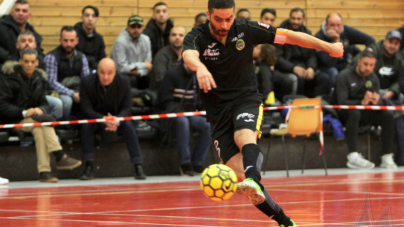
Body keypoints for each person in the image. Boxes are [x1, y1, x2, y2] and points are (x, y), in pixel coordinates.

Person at [182, 0, 343, 226]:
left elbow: (288, 35)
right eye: (218, 19)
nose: (224, 24)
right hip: (217, 112)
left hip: (245, 99)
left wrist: (327, 46)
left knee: (243, 137)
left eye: (229, 18)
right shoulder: (198, 36)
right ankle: (285, 221)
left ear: (234, 14)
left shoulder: (246, 29)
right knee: (238, 174)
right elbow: (189, 55)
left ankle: (254, 179)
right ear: (209, 15)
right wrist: (200, 68)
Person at [0, 49, 82, 182]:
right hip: (13, 119)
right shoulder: (8, 78)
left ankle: (44, 173)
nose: (29, 65)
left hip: (34, 120)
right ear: (20, 61)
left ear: (37, 62)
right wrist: (24, 112)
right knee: (41, 124)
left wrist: (41, 109)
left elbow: (44, 102)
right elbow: (2, 105)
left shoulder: (39, 78)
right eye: (26, 61)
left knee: (39, 129)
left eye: (33, 62)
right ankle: (60, 156)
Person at [79, 58, 146, 180]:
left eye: (109, 73)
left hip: (117, 117)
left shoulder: (124, 81)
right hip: (96, 117)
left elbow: (127, 107)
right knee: (85, 125)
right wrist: (102, 119)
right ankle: (88, 166)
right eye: (102, 72)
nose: (105, 77)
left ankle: (138, 165)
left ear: (115, 72)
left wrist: (117, 119)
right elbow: (86, 108)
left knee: (129, 125)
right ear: (96, 72)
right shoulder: (86, 82)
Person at [334, 49, 397, 169]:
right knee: (355, 113)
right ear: (358, 62)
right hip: (344, 112)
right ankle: (353, 156)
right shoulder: (344, 75)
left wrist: (376, 101)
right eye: (365, 64)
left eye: (372, 65)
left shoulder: (373, 78)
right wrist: (360, 102)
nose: (368, 68)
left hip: (364, 111)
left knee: (387, 115)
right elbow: (341, 102)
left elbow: (375, 102)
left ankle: (386, 156)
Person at [158, 61, 211, 176]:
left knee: (208, 125)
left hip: (192, 113)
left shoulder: (198, 76)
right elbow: (163, 100)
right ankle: (185, 163)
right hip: (174, 113)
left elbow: (202, 100)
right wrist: (179, 111)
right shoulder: (172, 74)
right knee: (183, 121)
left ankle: (197, 162)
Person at [276, 8, 331, 97]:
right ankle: (298, 105)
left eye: (298, 19)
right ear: (290, 19)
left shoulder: (307, 33)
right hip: (288, 68)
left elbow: (312, 55)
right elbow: (277, 57)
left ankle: (316, 105)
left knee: (324, 78)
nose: (295, 21)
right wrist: (293, 68)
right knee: (299, 79)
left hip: (305, 66)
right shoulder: (281, 34)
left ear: (303, 20)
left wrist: (311, 68)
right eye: (293, 18)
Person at [8, 30, 62, 120]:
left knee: (57, 103)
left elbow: (42, 89)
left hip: (36, 98)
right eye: (23, 41)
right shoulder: (8, 67)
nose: (27, 44)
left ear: (35, 45)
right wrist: (24, 112)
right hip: (18, 105)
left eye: (29, 41)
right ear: (17, 45)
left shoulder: (41, 62)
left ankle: (59, 127)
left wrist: (41, 109)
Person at [315, 12, 375, 88]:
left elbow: (370, 40)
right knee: (334, 72)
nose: (336, 28)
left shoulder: (347, 31)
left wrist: (362, 58)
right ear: (326, 26)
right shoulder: (319, 37)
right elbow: (328, 63)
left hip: (346, 65)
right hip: (327, 68)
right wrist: (336, 42)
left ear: (342, 24)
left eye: (338, 25)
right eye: (332, 25)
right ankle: (332, 94)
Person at [45, 26, 91, 120]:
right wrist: (72, 94)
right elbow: (51, 83)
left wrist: (83, 93)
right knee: (67, 101)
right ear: (60, 40)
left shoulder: (82, 57)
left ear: (77, 41)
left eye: (71, 40)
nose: (68, 44)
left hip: (77, 89)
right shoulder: (51, 57)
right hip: (57, 92)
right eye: (65, 40)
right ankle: (64, 126)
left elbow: (87, 80)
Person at [352, 30, 404, 102]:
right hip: (369, 89)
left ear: (399, 46)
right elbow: (356, 65)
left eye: (396, 44)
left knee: (401, 98)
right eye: (390, 42)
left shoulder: (400, 58)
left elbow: (401, 79)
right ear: (385, 42)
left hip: (389, 91)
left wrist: (392, 91)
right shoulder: (373, 50)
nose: (393, 46)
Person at [111, 15, 152, 90]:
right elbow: (121, 68)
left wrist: (139, 72)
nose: (136, 30)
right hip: (122, 75)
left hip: (139, 73)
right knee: (130, 79)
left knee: (151, 77)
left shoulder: (146, 40)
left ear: (143, 28)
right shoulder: (120, 41)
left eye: (139, 27)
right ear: (127, 28)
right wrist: (143, 65)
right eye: (133, 27)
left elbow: (148, 65)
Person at [0, 0, 43, 68]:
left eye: (24, 11)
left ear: (29, 15)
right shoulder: (1, 26)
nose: (20, 13)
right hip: (5, 68)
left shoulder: (32, 33)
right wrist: (6, 56)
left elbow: (38, 51)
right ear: (12, 13)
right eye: (17, 10)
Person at [150, 26, 186, 91]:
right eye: (174, 35)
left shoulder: (189, 54)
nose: (177, 37)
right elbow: (160, 79)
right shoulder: (161, 55)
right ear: (169, 38)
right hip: (164, 91)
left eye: (181, 35)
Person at [74, 5, 106, 73]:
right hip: (78, 73)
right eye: (87, 16)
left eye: (93, 16)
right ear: (82, 18)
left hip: (96, 72)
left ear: (97, 19)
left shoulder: (99, 39)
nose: (90, 19)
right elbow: (76, 60)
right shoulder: (74, 36)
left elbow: (102, 59)